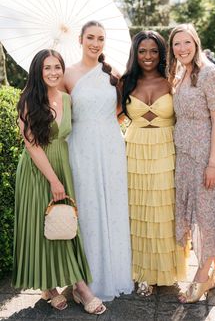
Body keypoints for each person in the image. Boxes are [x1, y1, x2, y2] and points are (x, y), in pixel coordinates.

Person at [13, 49, 106, 315]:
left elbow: (91, 123)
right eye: (47, 68)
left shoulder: (67, 98)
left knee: (64, 223)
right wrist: (54, 180)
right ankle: (63, 287)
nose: (53, 73)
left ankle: (73, 286)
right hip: (37, 169)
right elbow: (31, 145)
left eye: (57, 67)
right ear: (38, 72)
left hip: (63, 164)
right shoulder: (28, 100)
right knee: (43, 225)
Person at [58, 21, 133, 301]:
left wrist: (105, 127)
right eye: (90, 37)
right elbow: (61, 113)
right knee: (87, 208)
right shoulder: (66, 74)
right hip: (81, 147)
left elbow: (120, 110)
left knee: (113, 207)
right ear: (80, 39)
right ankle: (85, 281)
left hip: (111, 145)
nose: (95, 43)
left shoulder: (113, 72)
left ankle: (114, 272)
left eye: (101, 38)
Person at [167, 23, 215, 303]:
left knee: (209, 217)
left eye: (187, 43)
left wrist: (213, 163)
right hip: (184, 155)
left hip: (207, 155)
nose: (182, 49)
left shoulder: (211, 73)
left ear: (196, 43)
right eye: (176, 44)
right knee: (198, 213)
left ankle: (202, 275)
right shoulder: (180, 74)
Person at [120, 30, 188, 296]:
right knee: (138, 212)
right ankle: (143, 272)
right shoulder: (125, 82)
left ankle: (169, 272)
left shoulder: (173, 81)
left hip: (166, 151)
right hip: (134, 151)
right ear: (135, 54)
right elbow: (110, 116)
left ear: (161, 53)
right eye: (142, 51)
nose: (148, 56)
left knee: (167, 210)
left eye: (154, 51)